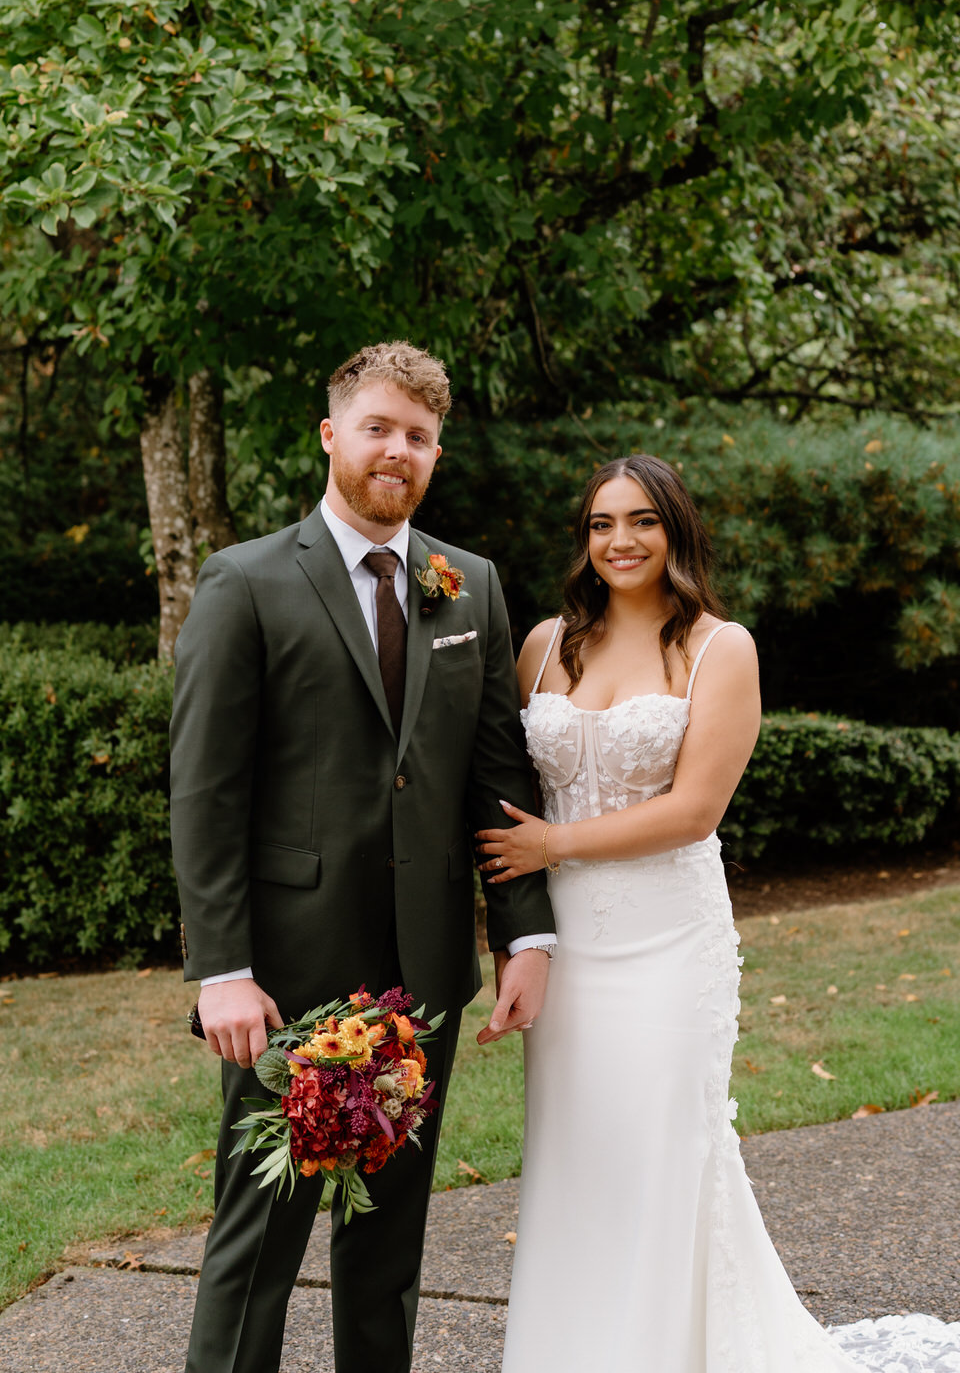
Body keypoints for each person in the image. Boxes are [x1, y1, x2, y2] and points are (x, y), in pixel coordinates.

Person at [477, 454, 959, 1372]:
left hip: (669, 940)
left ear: (677, 530)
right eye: (601, 523)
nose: (621, 541)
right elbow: (497, 782)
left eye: (643, 521)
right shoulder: (542, 645)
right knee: (578, 1157)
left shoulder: (717, 648)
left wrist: (553, 846)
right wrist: (520, 921)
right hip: (567, 948)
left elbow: (695, 810)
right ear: (584, 539)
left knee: (665, 1152)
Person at [169, 340, 556, 1373]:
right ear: (332, 434)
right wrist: (224, 969)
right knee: (259, 1239)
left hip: (422, 971)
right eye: (379, 428)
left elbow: (496, 786)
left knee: (387, 1243)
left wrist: (527, 937)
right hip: (289, 977)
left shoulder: (466, 586)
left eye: (420, 437)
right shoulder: (245, 582)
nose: (399, 451)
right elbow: (205, 793)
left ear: (437, 455)